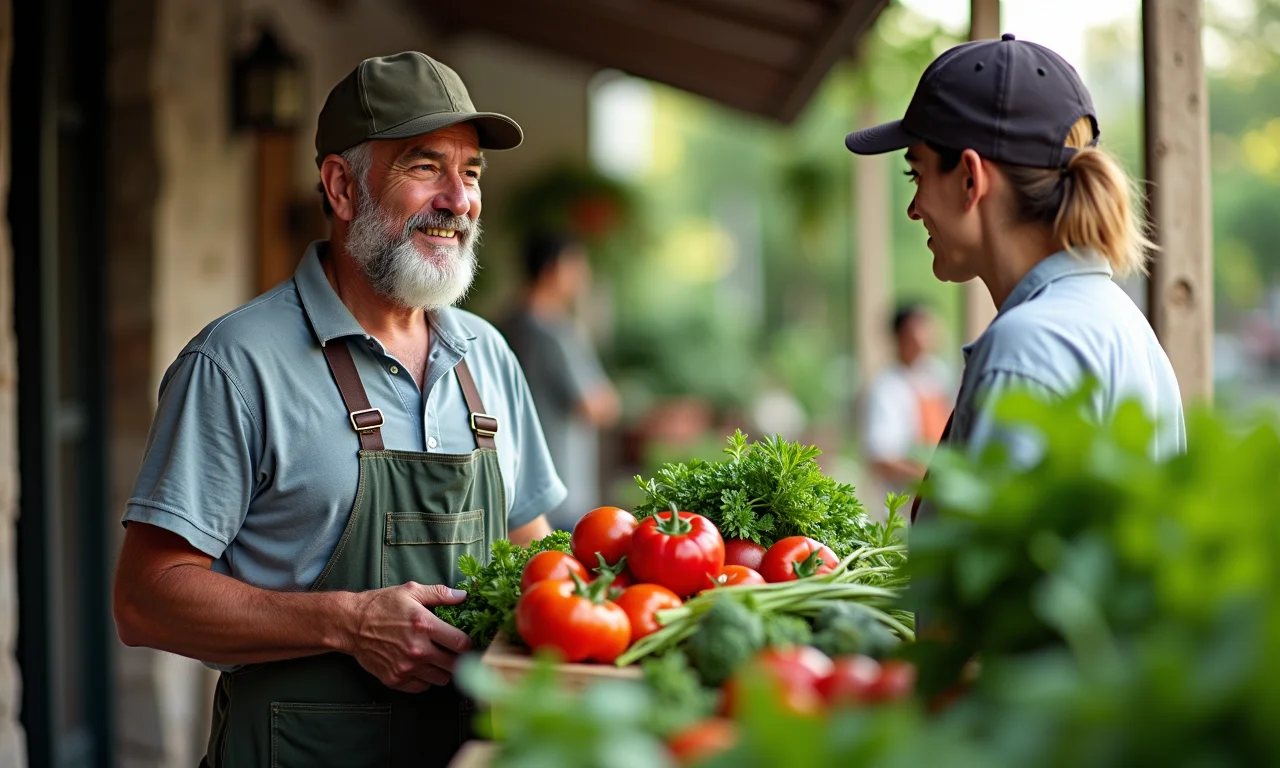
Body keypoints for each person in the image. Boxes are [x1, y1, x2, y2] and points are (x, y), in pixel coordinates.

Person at [111, 52, 567, 768]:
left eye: (471, 172)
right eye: (425, 167)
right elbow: (145, 600)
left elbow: (532, 552)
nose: (459, 199)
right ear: (341, 186)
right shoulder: (236, 364)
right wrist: (348, 623)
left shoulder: (489, 355)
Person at [844, 34, 1186, 524]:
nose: (913, 208)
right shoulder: (1119, 322)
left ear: (969, 178)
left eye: (915, 175)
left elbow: (996, 591)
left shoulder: (1028, 345)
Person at [498, 232, 621, 531]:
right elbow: (598, 407)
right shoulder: (555, 333)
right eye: (577, 265)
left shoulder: (503, 325)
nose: (585, 275)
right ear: (552, 269)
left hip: (517, 482)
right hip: (562, 486)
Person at [859, 302, 954, 520]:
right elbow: (881, 457)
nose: (925, 335)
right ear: (899, 336)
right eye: (917, 328)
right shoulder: (886, 387)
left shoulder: (936, 375)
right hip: (902, 511)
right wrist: (931, 479)